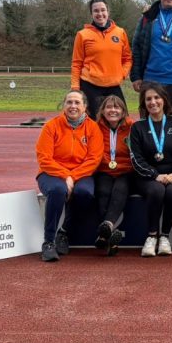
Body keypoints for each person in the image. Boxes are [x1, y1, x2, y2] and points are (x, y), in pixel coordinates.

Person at [35, 90, 103, 262]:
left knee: (85, 193)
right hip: (51, 173)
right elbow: (44, 158)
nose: (73, 106)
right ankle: (49, 242)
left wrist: (73, 176)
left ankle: (64, 231)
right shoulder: (51, 126)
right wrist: (65, 176)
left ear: (85, 107)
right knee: (58, 190)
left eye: (77, 103)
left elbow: (94, 159)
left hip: (81, 173)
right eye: (69, 102)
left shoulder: (93, 128)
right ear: (64, 105)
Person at [127, 82, 172, 256]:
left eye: (156, 98)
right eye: (148, 99)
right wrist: (155, 175)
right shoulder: (138, 127)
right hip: (147, 175)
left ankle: (165, 236)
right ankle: (152, 236)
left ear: (164, 100)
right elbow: (136, 159)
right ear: (144, 103)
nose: (153, 102)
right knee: (157, 190)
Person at [70, 0, 132, 118]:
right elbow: (76, 64)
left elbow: (127, 59)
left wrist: (122, 74)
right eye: (96, 11)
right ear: (91, 14)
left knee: (122, 120)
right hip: (90, 85)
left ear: (108, 12)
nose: (100, 14)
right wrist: (75, 88)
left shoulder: (120, 32)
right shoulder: (82, 35)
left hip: (113, 85)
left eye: (103, 10)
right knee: (94, 123)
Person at [92, 94, 136, 255]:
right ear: (102, 111)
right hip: (104, 169)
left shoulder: (132, 126)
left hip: (126, 170)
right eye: (109, 107)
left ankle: (107, 227)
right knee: (102, 191)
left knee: (120, 189)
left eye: (117, 107)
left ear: (123, 111)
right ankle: (108, 237)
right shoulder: (95, 127)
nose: (113, 110)